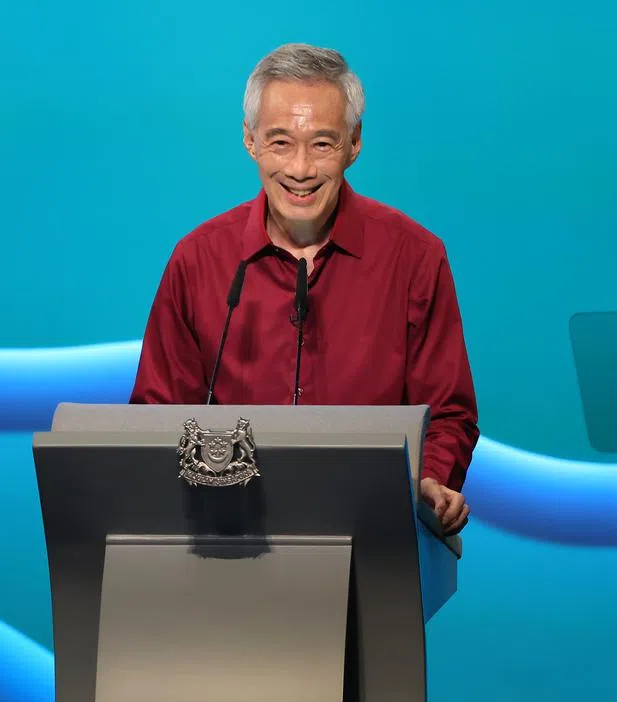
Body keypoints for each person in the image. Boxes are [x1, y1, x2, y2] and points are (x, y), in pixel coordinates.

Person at [130, 43, 478, 534]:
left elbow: (448, 412)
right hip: (226, 544)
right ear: (249, 140)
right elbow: (155, 417)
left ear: (354, 144)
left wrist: (430, 477)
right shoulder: (199, 260)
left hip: (374, 539)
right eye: (279, 142)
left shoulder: (414, 257)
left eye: (322, 143)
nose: (299, 170)